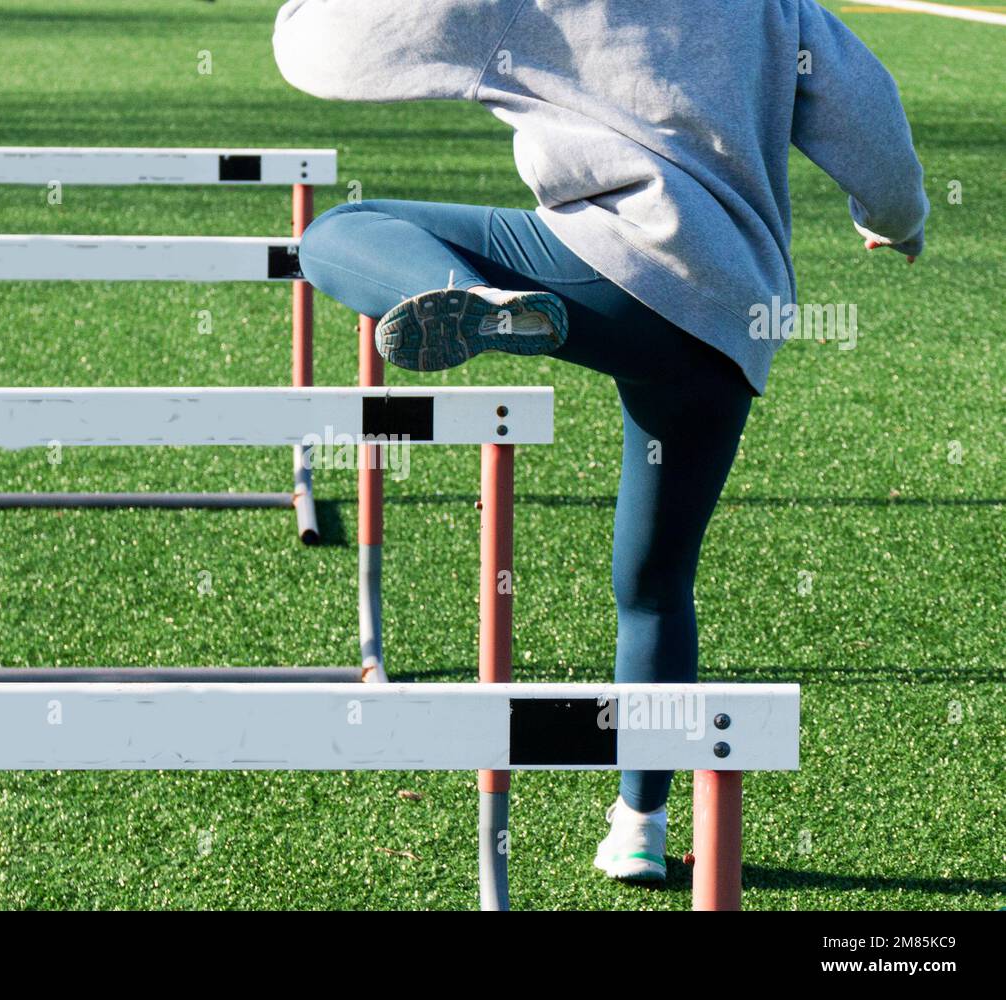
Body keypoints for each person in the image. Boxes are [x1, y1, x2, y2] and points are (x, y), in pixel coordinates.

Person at [274, 0, 927, 882]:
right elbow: (870, 114)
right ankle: (640, 829)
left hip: (604, 275)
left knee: (336, 233)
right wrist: (900, 217)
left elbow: (333, 48)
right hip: (729, 316)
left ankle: (473, 300)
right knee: (656, 587)